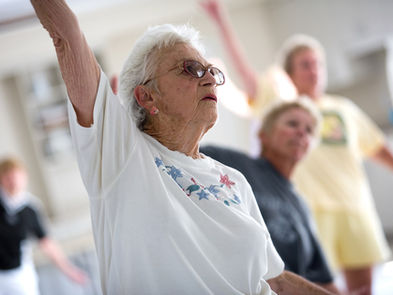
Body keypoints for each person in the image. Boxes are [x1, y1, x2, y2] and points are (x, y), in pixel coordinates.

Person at [30, 1, 336, 294]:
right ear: (147, 97)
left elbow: (275, 279)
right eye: (190, 69)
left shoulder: (235, 180)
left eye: (211, 71)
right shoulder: (122, 155)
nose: (210, 81)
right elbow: (65, 32)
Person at [201, 1, 393, 294]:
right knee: (314, 282)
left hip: (356, 208)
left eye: (318, 63)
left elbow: (380, 150)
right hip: (312, 213)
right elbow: (246, 73)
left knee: (364, 287)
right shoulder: (281, 107)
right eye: (306, 64)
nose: (314, 71)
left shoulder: (344, 109)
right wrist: (221, 21)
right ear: (290, 72)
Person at [201, 99, 340, 294]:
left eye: (309, 130)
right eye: (292, 124)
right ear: (263, 134)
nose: (302, 132)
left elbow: (323, 279)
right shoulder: (229, 162)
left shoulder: (301, 205)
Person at [0, 157, 87, 295]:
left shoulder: (30, 208)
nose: (13, 182)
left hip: (19, 275)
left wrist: (69, 270)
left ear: (24, 177)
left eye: (16, 177)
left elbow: (46, 242)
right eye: (8, 178)